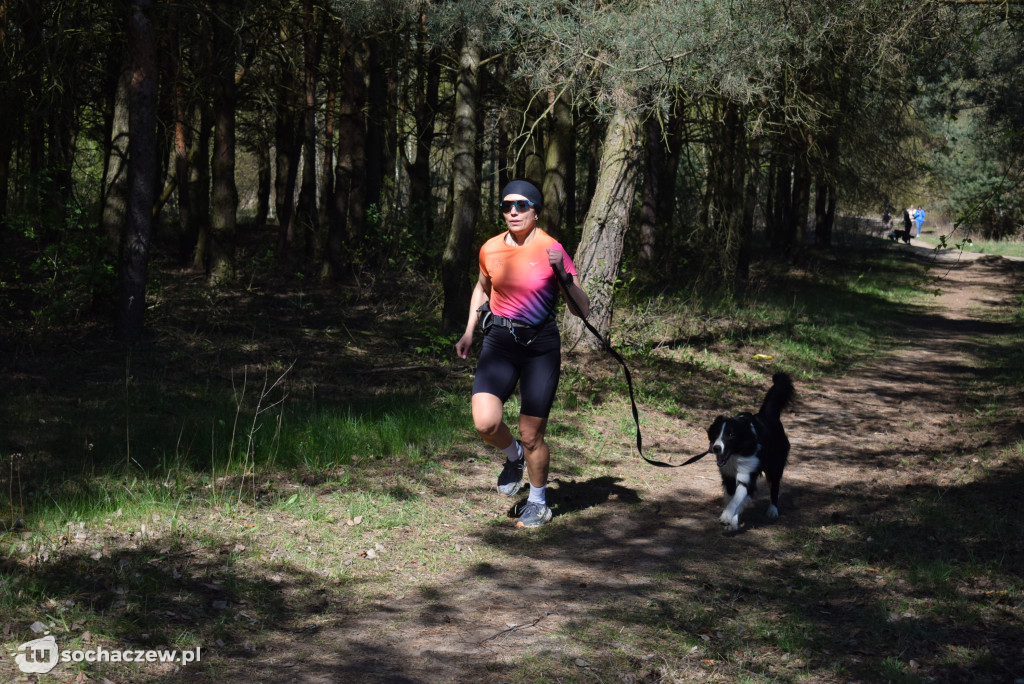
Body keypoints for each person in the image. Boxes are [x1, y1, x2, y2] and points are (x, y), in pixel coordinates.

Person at [455, 179, 590, 528]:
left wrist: (563, 272)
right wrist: (470, 330)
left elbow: (583, 310)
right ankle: (512, 457)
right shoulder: (489, 249)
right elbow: (482, 287)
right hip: (500, 341)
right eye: (506, 205)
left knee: (532, 434)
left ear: (536, 210)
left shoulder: (551, 249)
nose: (513, 211)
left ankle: (538, 500)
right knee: (486, 422)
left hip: (539, 348)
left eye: (522, 205)